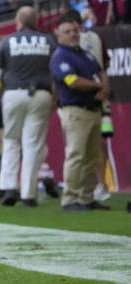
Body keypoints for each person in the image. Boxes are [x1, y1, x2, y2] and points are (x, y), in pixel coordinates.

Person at [0, 6, 55, 207]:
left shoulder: (7, 41)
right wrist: (55, 99)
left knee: (11, 141)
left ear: (18, 21)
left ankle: (9, 188)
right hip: (41, 93)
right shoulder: (48, 41)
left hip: (13, 94)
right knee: (33, 145)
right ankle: (28, 194)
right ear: (36, 21)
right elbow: (56, 74)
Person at [49, 14, 110, 211]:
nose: (73, 34)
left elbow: (101, 71)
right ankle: (70, 199)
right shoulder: (60, 56)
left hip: (93, 109)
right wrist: (98, 86)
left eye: (75, 30)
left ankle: (87, 197)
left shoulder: (85, 54)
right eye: (68, 32)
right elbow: (72, 81)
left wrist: (104, 87)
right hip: (75, 110)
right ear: (59, 35)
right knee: (76, 155)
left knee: (92, 156)